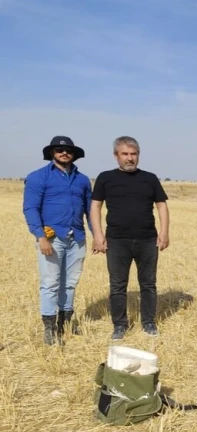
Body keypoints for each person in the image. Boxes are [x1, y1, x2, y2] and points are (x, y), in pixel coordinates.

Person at [90, 136, 169, 341]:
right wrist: (98, 235)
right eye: (125, 154)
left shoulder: (150, 178)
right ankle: (120, 325)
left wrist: (164, 232)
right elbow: (95, 206)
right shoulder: (105, 178)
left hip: (147, 239)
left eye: (133, 154)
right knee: (117, 285)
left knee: (148, 284)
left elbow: (161, 205)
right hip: (116, 240)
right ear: (116, 156)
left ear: (138, 156)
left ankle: (149, 322)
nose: (130, 158)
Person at [23, 136, 92, 345]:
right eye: (59, 149)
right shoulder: (38, 177)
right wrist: (40, 237)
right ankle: (49, 330)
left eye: (68, 150)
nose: (64, 153)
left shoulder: (83, 180)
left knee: (70, 283)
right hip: (51, 238)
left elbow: (90, 210)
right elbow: (30, 208)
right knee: (50, 283)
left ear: (73, 154)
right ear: (52, 153)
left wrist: (98, 235)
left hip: (77, 238)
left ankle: (65, 325)